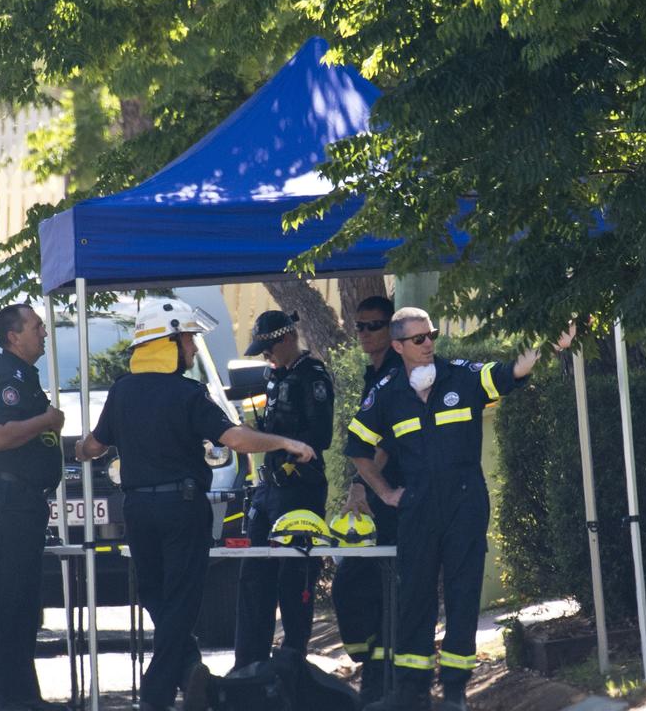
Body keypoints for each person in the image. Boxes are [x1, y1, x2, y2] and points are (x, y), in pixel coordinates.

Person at [75, 299, 317, 711]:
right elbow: (235, 439)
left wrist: (73, 445)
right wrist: (285, 442)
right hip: (181, 509)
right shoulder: (188, 393)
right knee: (181, 605)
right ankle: (157, 692)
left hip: (136, 511)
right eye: (187, 339)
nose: (191, 348)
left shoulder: (121, 390)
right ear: (166, 343)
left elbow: (92, 446)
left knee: (158, 600)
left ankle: (188, 671)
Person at [346, 307, 573, 711]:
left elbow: (512, 371)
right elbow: (358, 449)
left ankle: (454, 690)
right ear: (398, 346)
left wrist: (552, 343)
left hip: (465, 503)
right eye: (418, 339)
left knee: (463, 594)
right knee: (414, 597)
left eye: (431, 334)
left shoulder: (462, 376)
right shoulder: (387, 392)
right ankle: (411, 691)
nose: (429, 343)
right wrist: (382, 492)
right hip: (416, 508)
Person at [0, 304, 67, 711]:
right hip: (8, 498)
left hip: (24, 500)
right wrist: (47, 421)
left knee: (23, 601)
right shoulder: (8, 373)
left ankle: (20, 693)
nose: (43, 332)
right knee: (2, 597)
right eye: (36, 326)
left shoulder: (25, 375)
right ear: (13, 337)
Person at [233, 310, 335, 668]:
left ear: (287, 339)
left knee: (295, 581)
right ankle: (248, 664)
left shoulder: (313, 376)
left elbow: (321, 436)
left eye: (268, 348)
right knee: (254, 576)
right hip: (270, 488)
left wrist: (282, 443)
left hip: (300, 490)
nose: (265, 356)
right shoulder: (273, 375)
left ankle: (292, 663)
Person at [332, 295, 403, 705]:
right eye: (358, 326)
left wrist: (366, 485)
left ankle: (387, 684)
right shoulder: (372, 373)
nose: (363, 333)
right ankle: (375, 677)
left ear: (390, 330)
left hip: (393, 496)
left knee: (384, 590)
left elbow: (389, 440)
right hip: (378, 496)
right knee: (360, 588)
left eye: (372, 326)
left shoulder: (396, 372)